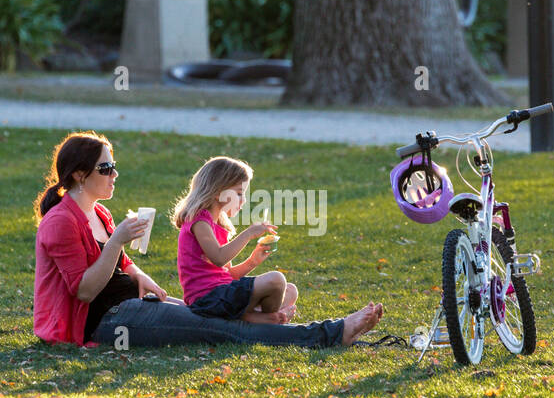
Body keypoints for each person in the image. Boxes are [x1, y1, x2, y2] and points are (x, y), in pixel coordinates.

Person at [33, 131, 383, 350]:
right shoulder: (60, 222)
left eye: (113, 166)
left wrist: (139, 275)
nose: (115, 174)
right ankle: (332, 334)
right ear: (80, 175)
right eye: (105, 169)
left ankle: (328, 332)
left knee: (222, 321)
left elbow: (120, 264)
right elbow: (84, 290)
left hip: (129, 305)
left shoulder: (98, 213)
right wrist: (118, 242)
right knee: (220, 329)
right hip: (104, 320)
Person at [173, 155, 297, 325]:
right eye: (239, 193)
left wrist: (252, 261)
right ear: (218, 192)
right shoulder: (199, 221)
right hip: (208, 300)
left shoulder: (217, 226)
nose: (243, 200)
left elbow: (225, 275)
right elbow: (218, 258)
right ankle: (260, 320)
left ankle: (256, 318)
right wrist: (248, 233)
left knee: (290, 290)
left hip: (222, 295)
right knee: (276, 280)